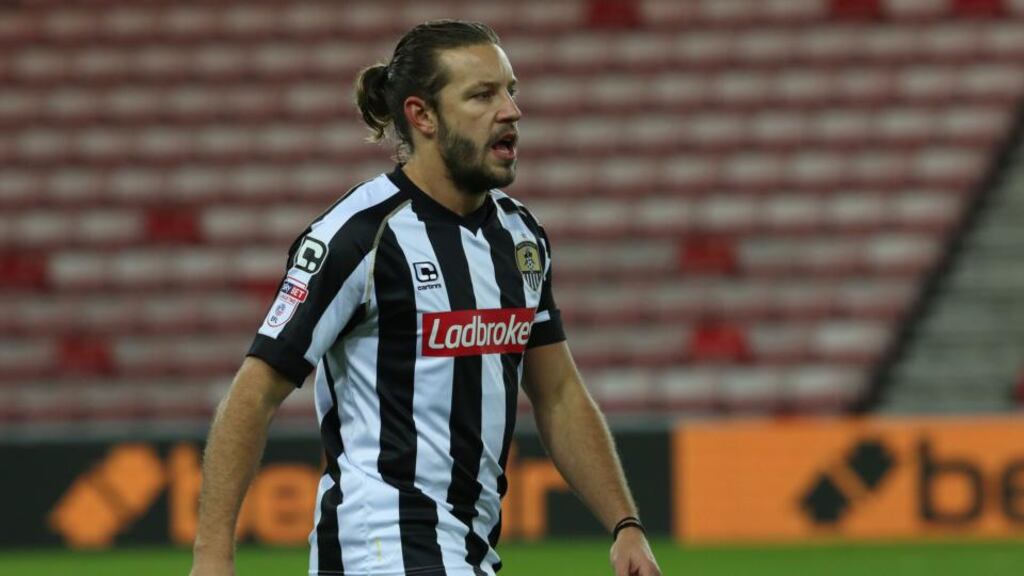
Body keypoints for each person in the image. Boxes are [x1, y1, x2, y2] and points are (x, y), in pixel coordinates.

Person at [190, 19, 661, 576]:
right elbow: (253, 393)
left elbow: (558, 394)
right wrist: (213, 557)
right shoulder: (358, 237)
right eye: (483, 94)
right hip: (380, 547)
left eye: (511, 90)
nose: (510, 110)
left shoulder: (520, 239)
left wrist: (625, 524)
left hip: (468, 550)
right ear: (422, 116)